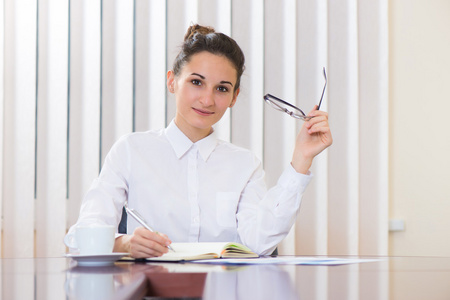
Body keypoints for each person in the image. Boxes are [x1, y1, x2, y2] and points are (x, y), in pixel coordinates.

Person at [64, 24, 332, 257]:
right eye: (196, 82)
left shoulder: (244, 164)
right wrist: (125, 243)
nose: (207, 100)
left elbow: (259, 243)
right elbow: (80, 237)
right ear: (172, 81)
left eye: (222, 88)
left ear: (234, 97)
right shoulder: (131, 151)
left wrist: (301, 160)